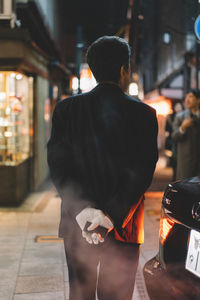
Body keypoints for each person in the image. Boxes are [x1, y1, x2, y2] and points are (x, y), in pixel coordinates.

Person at [47, 36, 158, 300]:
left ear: (92, 69)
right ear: (124, 69)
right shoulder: (143, 114)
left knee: (80, 294)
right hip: (124, 226)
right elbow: (143, 171)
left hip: (78, 226)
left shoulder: (66, 110)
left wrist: (84, 209)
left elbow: (58, 165)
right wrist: (110, 215)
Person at [172, 89, 200, 180]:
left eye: (191, 96)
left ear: (198, 100)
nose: (187, 100)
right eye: (186, 97)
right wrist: (182, 128)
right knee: (185, 191)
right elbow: (174, 137)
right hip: (185, 164)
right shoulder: (180, 117)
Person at [165, 102, 183, 180]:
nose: (178, 108)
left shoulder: (184, 116)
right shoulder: (170, 117)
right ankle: (175, 176)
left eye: (179, 107)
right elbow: (167, 130)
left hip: (181, 141)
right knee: (174, 160)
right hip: (172, 142)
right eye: (177, 106)